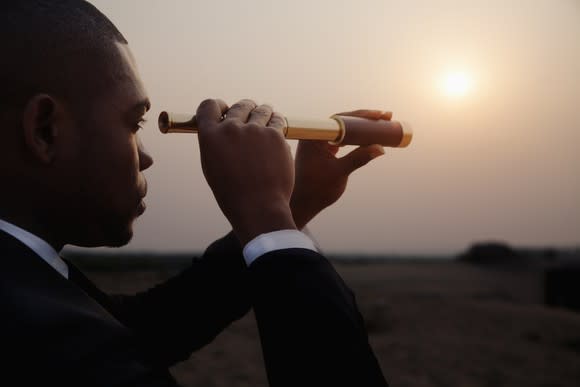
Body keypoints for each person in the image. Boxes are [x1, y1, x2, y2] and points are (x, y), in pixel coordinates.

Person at [0, 1, 391, 386]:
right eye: (135, 124)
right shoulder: (55, 347)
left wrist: (294, 204)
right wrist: (268, 217)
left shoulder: (31, 296)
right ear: (45, 130)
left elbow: (138, 332)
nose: (146, 158)